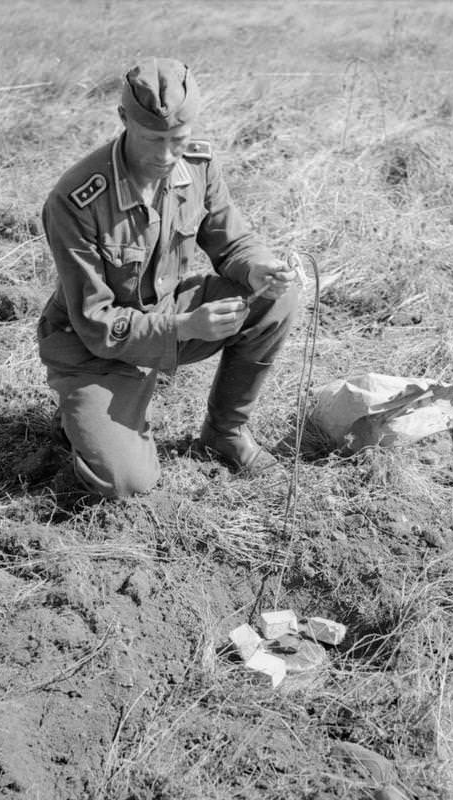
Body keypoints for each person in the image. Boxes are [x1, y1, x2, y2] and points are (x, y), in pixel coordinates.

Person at [37, 57, 298, 499]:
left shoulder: (198, 166)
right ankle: (82, 418)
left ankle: (224, 433)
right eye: (151, 140)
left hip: (167, 314)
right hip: (92, 349)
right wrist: (184, 328)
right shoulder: (75, 199)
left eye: (177, 140)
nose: (164, 156)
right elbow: (97, 321)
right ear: (123, 120)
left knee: (277, 299)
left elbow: (231, 240)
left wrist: (257, 268)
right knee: (126, 482)